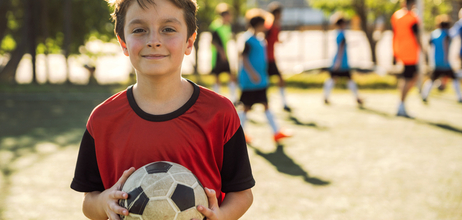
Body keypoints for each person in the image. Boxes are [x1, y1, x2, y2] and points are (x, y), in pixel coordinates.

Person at [70, 0, 255, 219]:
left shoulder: (220, 112)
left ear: (189, 41)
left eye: (168, 29)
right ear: (123, 42)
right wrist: (104, 203)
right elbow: (88, 201)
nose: (154, 41)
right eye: (139, 30)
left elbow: (242, 193)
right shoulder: (102, 120)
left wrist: (222, 216)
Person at [237, 13, 291, 143]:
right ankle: (237, 136)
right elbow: (243, 58)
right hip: (251, 82)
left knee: (266, 105)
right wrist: (252, 74)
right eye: (264, 24)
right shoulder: (248, 39)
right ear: (259, 24)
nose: (266, 26)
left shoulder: (260, 40)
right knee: (246, 108)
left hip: (260, 81)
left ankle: (276, 132)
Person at [323, 14, 363, 106]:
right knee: (343, 79)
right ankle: (357, 98)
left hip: (340, 61)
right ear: (341, 24)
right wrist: (338, 62)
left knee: (337, 79)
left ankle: (326, 97)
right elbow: (341, 48)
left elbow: (342, 46)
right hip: (341, 62)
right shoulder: (341, 34)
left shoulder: (337, 33)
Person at [391, 0, 422, 118]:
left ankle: (401, 104)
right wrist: (424, 50)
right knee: (409, 77)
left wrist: (393, 52)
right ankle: (401, 104)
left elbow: (394, 33)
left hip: (400, 50)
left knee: (408, 77)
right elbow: (417, 35)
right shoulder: (412, 17)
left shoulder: (396, 16)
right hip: (411, 52)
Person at [422, 14, 462, 103]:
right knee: (454, 79)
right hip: (445, 62)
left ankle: (424, 94)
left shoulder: (434, 34)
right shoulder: (448, 34)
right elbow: (447, 45)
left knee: (432, 79)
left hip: (436, 61)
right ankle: (459, 97)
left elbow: (429, 45)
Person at [265, 1, 291, 112]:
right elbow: (263, 40)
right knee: (264, 81)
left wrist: (284, 40)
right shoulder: (269, 25)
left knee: (278, 79)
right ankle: (266, 103)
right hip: (265, 59)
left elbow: (275, 40)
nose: (281, 15)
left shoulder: (276, 26)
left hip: (271, 58)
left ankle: (284, 103)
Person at [209, 3, 237, 103]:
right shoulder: (215, 26)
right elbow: (213, 41)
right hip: (217, 56)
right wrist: (221, 52)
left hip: (225, 54)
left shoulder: (228, 26)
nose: (229, 17)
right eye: (227, 15)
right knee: (217, 77)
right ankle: (216, 99)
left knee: (231, 75)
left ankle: (234, 98)